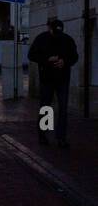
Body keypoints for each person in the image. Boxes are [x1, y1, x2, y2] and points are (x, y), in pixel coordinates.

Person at [27, 17, 79, 149]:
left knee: (63, 109)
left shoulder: (67, 39)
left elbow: (74, 56)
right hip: (47, 79)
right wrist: (47, 59)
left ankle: (61, 138)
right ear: (49, 28)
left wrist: (64, 62)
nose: (56, 34)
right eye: (54, 31)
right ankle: (44, 135)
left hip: (62, 79)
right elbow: (31, 55)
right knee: (46, 108)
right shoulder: (42, 39)